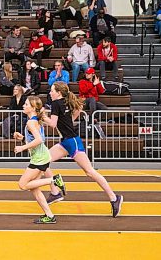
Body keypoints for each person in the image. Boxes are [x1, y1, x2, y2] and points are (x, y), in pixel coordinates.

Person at [42, 82, 123, 217]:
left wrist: (42, 116)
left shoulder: (57, 104)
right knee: (43, 161)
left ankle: (114, 198)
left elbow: (52, 124)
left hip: (72, 142)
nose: (50, 93)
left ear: (58, 92)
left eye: (52, 91)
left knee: (90, 172)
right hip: (66, 142)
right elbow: (78, 108)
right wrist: (69, 120)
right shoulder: (65, 102)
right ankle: (55, 193)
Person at [13, 96, 63, 224]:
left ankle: (54, 179)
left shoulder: (31, 122)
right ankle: (49, 215)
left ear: (33, 108)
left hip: (39, 158)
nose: (23, 106)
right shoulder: (34, 120)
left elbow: (39, 140)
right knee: (34, 188)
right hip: (42, 156)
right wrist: (23, 138)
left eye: (26, 104)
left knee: (22, 184)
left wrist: (22, 147)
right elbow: (36, 139)